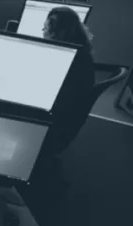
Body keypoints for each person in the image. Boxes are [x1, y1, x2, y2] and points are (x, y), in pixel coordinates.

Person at [41, 6, 96, 159]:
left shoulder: (66, 62)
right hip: (66, 123)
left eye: (44, 29)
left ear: (55, 33)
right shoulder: (81, 53)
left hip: (52, 127)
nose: (43, 33)